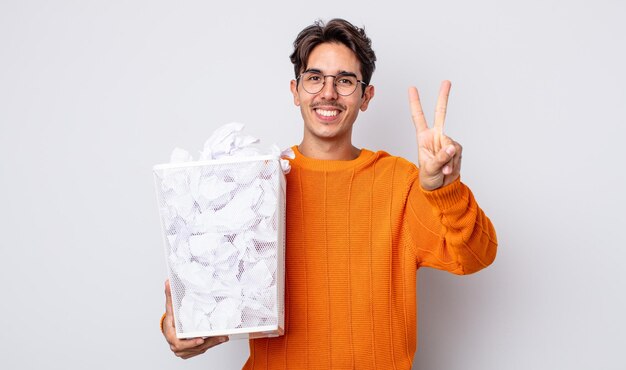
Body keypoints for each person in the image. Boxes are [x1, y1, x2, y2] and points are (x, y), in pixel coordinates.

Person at [161, 18, 497, 369]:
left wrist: (444, 188)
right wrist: (180, 327)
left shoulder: (402, 182)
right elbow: (209, 285)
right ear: (295, 90)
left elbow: (476, 255)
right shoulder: (253, 182)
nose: (328, 93)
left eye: (346, 81)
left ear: (366, 97)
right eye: (315, 78)